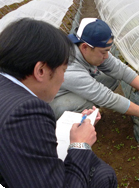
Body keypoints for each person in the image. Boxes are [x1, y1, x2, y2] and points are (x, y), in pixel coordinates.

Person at [0, 18, 117, 188]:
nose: (63, 78)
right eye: (63, 70)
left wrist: (79, 127)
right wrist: (80, 145)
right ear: (41, 70)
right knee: (102, 175)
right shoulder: (25, 110)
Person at [49, 18, 139, 128]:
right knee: (87, 103)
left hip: (70, 88)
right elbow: (107, 97)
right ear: (85, 47)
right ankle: (71, 128)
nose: (107, 56)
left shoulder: (90, 48)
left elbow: (121, 70)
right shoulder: (70, 67)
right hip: (51, 102)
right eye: (103, 52)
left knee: (112, 79)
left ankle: (88, 107)